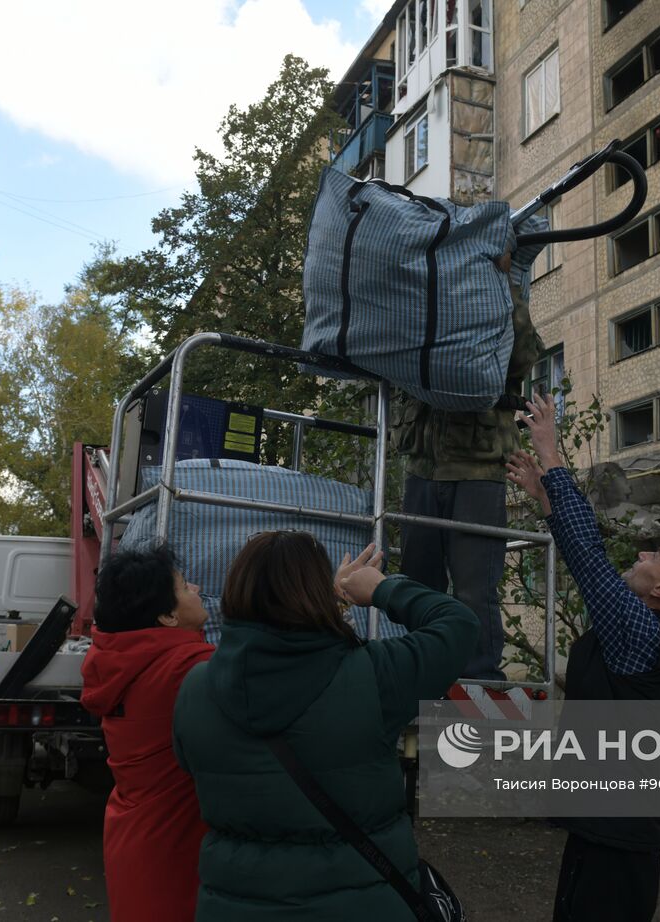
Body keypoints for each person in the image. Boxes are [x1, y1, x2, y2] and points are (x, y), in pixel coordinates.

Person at [172, 531, 478, 921]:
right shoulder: (373, 675)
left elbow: (189, 762)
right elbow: (459, 624)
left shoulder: (196, 689)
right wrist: (381, 589)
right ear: (314, 597)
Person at [506, 394, 660, 922]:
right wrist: (545, 497)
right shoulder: (652, 632)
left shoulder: (642, 634)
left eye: (654, 556)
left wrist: (551, 455)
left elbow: (586, 554)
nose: (643, 553)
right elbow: (580, 547)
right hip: (605, 832)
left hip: (617, 842)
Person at [391, 273, 545, 680]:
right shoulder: (420, 312)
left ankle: (478, 675)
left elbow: (522, 357)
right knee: (417, 581)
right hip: (421, 468)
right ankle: (420, 667)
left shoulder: (499, 314)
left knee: (474, 588)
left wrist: (504, 282)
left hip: (478, 471)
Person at [80, 544, 214, 922]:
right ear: (168, 616)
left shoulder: (120, 661)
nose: (198, 590)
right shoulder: (187, 668)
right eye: (186, 587)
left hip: (135, 839)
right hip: (176, 853)